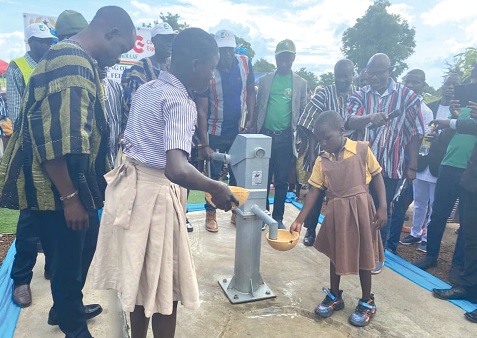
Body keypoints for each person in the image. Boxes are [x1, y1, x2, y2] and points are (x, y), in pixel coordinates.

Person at [91, 28, 237, 338]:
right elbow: (176, 168)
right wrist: (215, 187)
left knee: (139, 280)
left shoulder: (148, 89)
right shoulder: (180, 102)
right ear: (196, 65)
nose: (212, 76)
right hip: (154, 199)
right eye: (211, 68)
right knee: (165, 288)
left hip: (129, 193)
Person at [0, 6, 136, 337]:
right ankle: (73, 326)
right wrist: (70, 198)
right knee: (66, 263)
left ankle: (66, 308)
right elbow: (55, 140)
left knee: (84, 246)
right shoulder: (71, 63)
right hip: (56, 188)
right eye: (120, 49)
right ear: (110, 31)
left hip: (70, 183)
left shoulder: (76, 59)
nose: (118, 59)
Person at [290, 110, 386, 327]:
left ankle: (367, 300)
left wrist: (383, 207)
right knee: (335, 252)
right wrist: (300, 219)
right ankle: (335, 295)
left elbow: (378, 175)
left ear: (342, 131)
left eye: (327, 138)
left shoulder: (362, 150)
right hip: (337, 212)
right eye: (319, 139)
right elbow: (314, 191)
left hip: (362, 209)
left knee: (365, 255)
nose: (323, 143)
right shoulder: (321, 161)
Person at [345, 53, 424, 273]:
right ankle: (358, 251)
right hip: (360, 167)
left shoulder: (407, 97)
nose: (375, 77)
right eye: (371, 72)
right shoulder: (360, 95)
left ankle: (376, 256)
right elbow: (349, 120)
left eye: (380, 72)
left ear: (390, 70)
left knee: (381, 210)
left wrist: (413, 165)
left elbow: (415, 132)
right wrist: (370, 117)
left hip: (390, 165)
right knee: (358, 208)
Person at [5, 22, 57, 308]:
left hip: (55, 152)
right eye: (40, 42)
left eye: (49, 41)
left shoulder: (54, 64)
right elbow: (17, 114)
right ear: (29, 42)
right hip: (30, 153)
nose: (46, 46)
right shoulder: (17, 68)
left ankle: (51, 265)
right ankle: (22, 278)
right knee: (29, 217)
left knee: (57, 211)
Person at [414, 74, 476, 278]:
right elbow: (448, 134)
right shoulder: (459, 108)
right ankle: (430, 255)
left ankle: (457, 268)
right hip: (448, 163)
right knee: (438, 214)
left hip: (469, 170)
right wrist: (454, 116)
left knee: (466, 224)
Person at [196, 29, 255, 232]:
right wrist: (205, 144)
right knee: (213, 177)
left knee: (237, 174)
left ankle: (235, 212)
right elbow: (201, 110)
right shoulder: (209, 71)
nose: (227, 55)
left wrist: (251, 118)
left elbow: (250, 93)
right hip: (215, 131)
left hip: (237, 130)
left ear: (234, 48)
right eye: (222, 51)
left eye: (229, 50)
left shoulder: (245, 64)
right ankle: (210, 214)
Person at [297, 58, 358, 246]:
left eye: (345, 76)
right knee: (317, 191)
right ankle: (310, 230)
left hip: (348, 153)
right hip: (323, 149)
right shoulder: (324, 94)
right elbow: (308, 121)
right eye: (338, 76)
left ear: (352, 75)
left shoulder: (359, 95)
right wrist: (313, 153)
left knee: (343, 195)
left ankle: (340, 234)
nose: (342, 80)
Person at [430, 108, 477, 324]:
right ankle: (468, 288)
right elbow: (470, 126)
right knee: (470, 238)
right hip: (472, 182)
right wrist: (449, 122)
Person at [255, 39, 307, 230]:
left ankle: (277, 217)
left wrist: (301, 139)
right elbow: (259, 106)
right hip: (265, 135)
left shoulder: (301, 83)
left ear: (293, 58)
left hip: (286, 137)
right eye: (280, 59)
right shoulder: (266, 80)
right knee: (263, 178)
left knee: (282, 180)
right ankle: (263, 214)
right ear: (276, 58)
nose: (284, 62)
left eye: (288, 58)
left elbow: (302, 111)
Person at [397, 70, 444, 253]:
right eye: (408, 81)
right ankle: (415, 233)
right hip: (416, 163)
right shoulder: (400, 106)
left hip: (429, 162)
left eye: (415, 82)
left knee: (433, 203)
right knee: (419, 201)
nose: (410, 86)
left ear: (423, 85)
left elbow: (424, 137)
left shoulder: (426, 110)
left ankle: (426, 238)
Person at [122, 22, 176, 115]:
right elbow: (136, 102)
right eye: (164, 40)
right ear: (154, 41)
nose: (169, 44)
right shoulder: (141, 67)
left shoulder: (174, 67)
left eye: (171, 40)